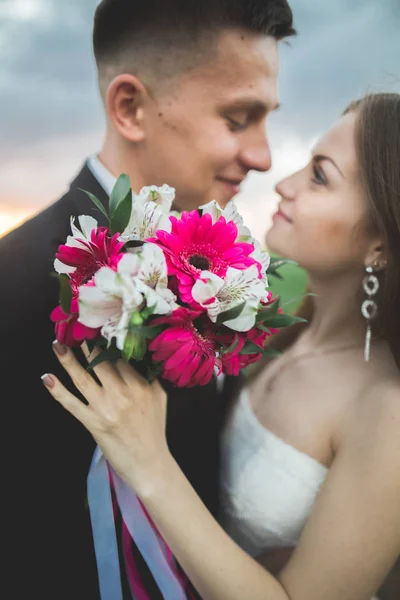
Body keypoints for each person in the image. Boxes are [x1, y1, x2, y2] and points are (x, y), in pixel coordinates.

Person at [44, 92, 400, 600]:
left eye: (320, 175)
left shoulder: (388, 412)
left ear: (381, 245)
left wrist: (147, 459)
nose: (283, 184)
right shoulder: (287, 330)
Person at [0, 0, 295, 597]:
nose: (263, 156)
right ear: (130, 107)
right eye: (239, 118)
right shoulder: (13, 281)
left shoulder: (230, 273)